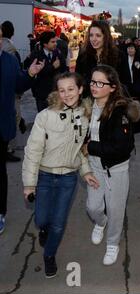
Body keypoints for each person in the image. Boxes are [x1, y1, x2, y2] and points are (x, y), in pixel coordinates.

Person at [22, 72, 99, 278]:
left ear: (80, 90)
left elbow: (79, 151)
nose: (66, 94)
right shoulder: (45, 116)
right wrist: (29, 184)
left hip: (68, 178)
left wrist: (86, 171)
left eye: (71, 89)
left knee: (58, 223)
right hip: (45, 176)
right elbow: (33, 151)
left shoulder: (85, 116)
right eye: (62, 90)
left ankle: (49, 255)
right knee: (41, 219)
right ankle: (44, 230)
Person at [82, 65, 140, 266]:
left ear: (112, 87)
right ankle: (100, 222)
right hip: (94, 167)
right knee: (93, 207)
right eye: (92, 81)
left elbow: (121, 147)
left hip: (115, 169)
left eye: (100, 83)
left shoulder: (119, 111)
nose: (94, 86)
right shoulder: (87, 106)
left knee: (116, 209)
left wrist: (91, 147)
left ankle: (113, 243)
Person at [0, 26, 45, 235]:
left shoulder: (9, 61)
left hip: (1, 125)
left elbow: (18, 85)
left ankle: (0, 213)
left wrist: (30, 73)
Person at [76, 20, 122, 95]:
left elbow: (123, 82)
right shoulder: (83, 55)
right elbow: (78, 79)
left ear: (106, 37)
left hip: (110, 101)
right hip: (87, 100)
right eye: (91, 35)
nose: (93, 39)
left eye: (98, 35)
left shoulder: (118, 56)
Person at [26, 31, 68, 112]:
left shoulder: (58, 53)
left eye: (56, 41)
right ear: (45, 44)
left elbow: (64, 70)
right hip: (41, 94)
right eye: (52, 42)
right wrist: (52, 67)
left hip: (56, 93)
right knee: (43, 118)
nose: (55, 44)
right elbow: (38, 72)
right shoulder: (36, 55)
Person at [1, 21, 25, 162]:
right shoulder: (10, 48)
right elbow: (17, 75)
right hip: (10, 92)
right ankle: (7, 149)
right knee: (12, 117)